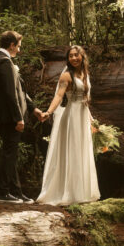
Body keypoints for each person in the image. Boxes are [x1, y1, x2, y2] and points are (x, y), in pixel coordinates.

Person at [36, 44, 100, 206]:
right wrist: (48, 112)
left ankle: (83, 192)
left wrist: (92, 120)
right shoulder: (66, 76)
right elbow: (58, 96)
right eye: (71, 56)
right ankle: (69, 193)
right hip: (71, 117)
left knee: (82, 151)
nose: (73, 58)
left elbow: (85, 99)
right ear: (68, 59)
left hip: (83, 116)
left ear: (82, 57)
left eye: (76, 55)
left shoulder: (85, 73)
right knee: (72, 151)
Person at [0, 29, 44, 203]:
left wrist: (33, 108)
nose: (19, 50)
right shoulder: (3, 62)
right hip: (8, 117)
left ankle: (16, 192)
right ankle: (2, 193)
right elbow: (9, 93)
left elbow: (20, 89)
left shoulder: (4, 61)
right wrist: (18, 117)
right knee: (9, 154)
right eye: (18, 46)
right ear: (11, 45)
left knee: (11, 154)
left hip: (9, 116)